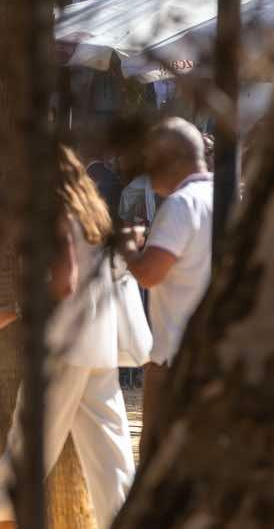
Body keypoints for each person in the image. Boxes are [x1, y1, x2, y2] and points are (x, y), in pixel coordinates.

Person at [0, 146, 136, 528]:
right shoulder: (94, 215)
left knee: (27, 446)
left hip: (65, 344)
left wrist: (10, 312)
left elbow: (64, 283)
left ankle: (4, 521)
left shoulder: (56, 214)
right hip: (99, 344)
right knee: (112, 455)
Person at [118, 117, 213, 462]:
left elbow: (149, 274)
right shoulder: (227, 195)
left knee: (157, 458)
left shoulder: (181, 204)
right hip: (216, 353)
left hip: (173, 358)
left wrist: (128, 246)